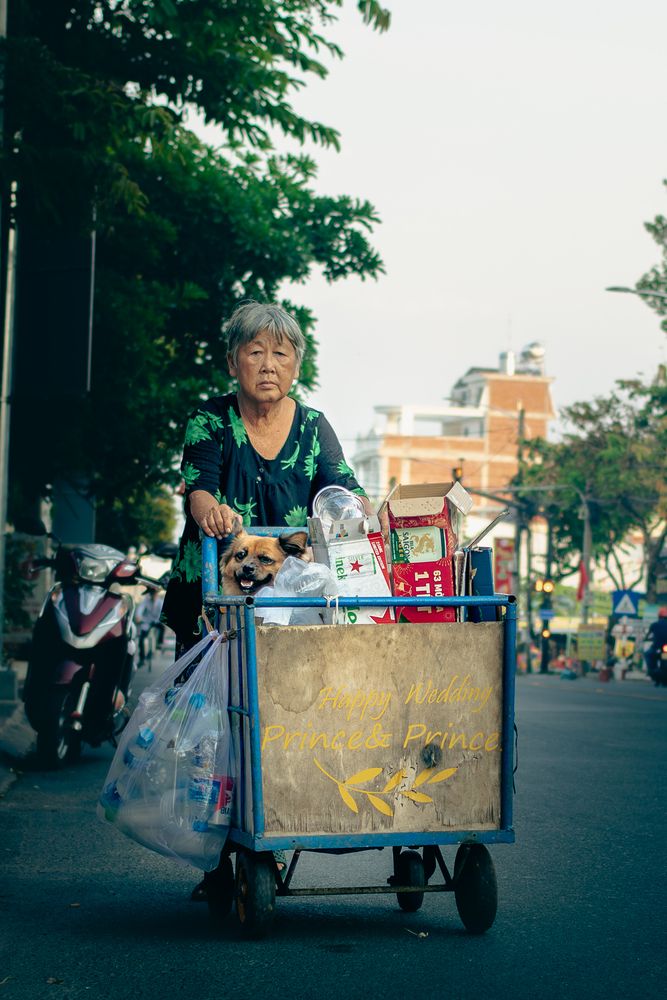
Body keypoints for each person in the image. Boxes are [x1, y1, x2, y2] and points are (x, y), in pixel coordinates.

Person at [160, 300, 374, 899]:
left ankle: (268, 838)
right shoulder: (208, 421)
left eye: (281, 353)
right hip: (212, 600)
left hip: (287, 604)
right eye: (255, 352)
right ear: (233, 361)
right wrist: (210, 509)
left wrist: (361, 508)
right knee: (212, 730)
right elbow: (199, 489)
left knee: (281, 716)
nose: (268, 364)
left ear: (297, 364)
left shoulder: (314, 426)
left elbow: (342, 487)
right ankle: (216, 858)